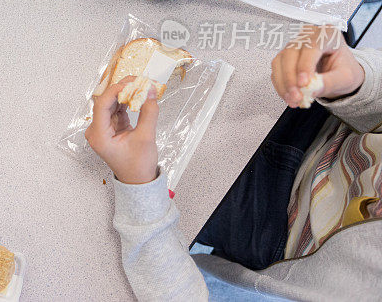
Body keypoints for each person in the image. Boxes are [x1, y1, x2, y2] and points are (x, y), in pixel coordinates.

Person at [86, 25, 382, 300]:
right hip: (330, 126)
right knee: (336, 30)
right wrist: (358, 82)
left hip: (277, 230)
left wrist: (139, 189)